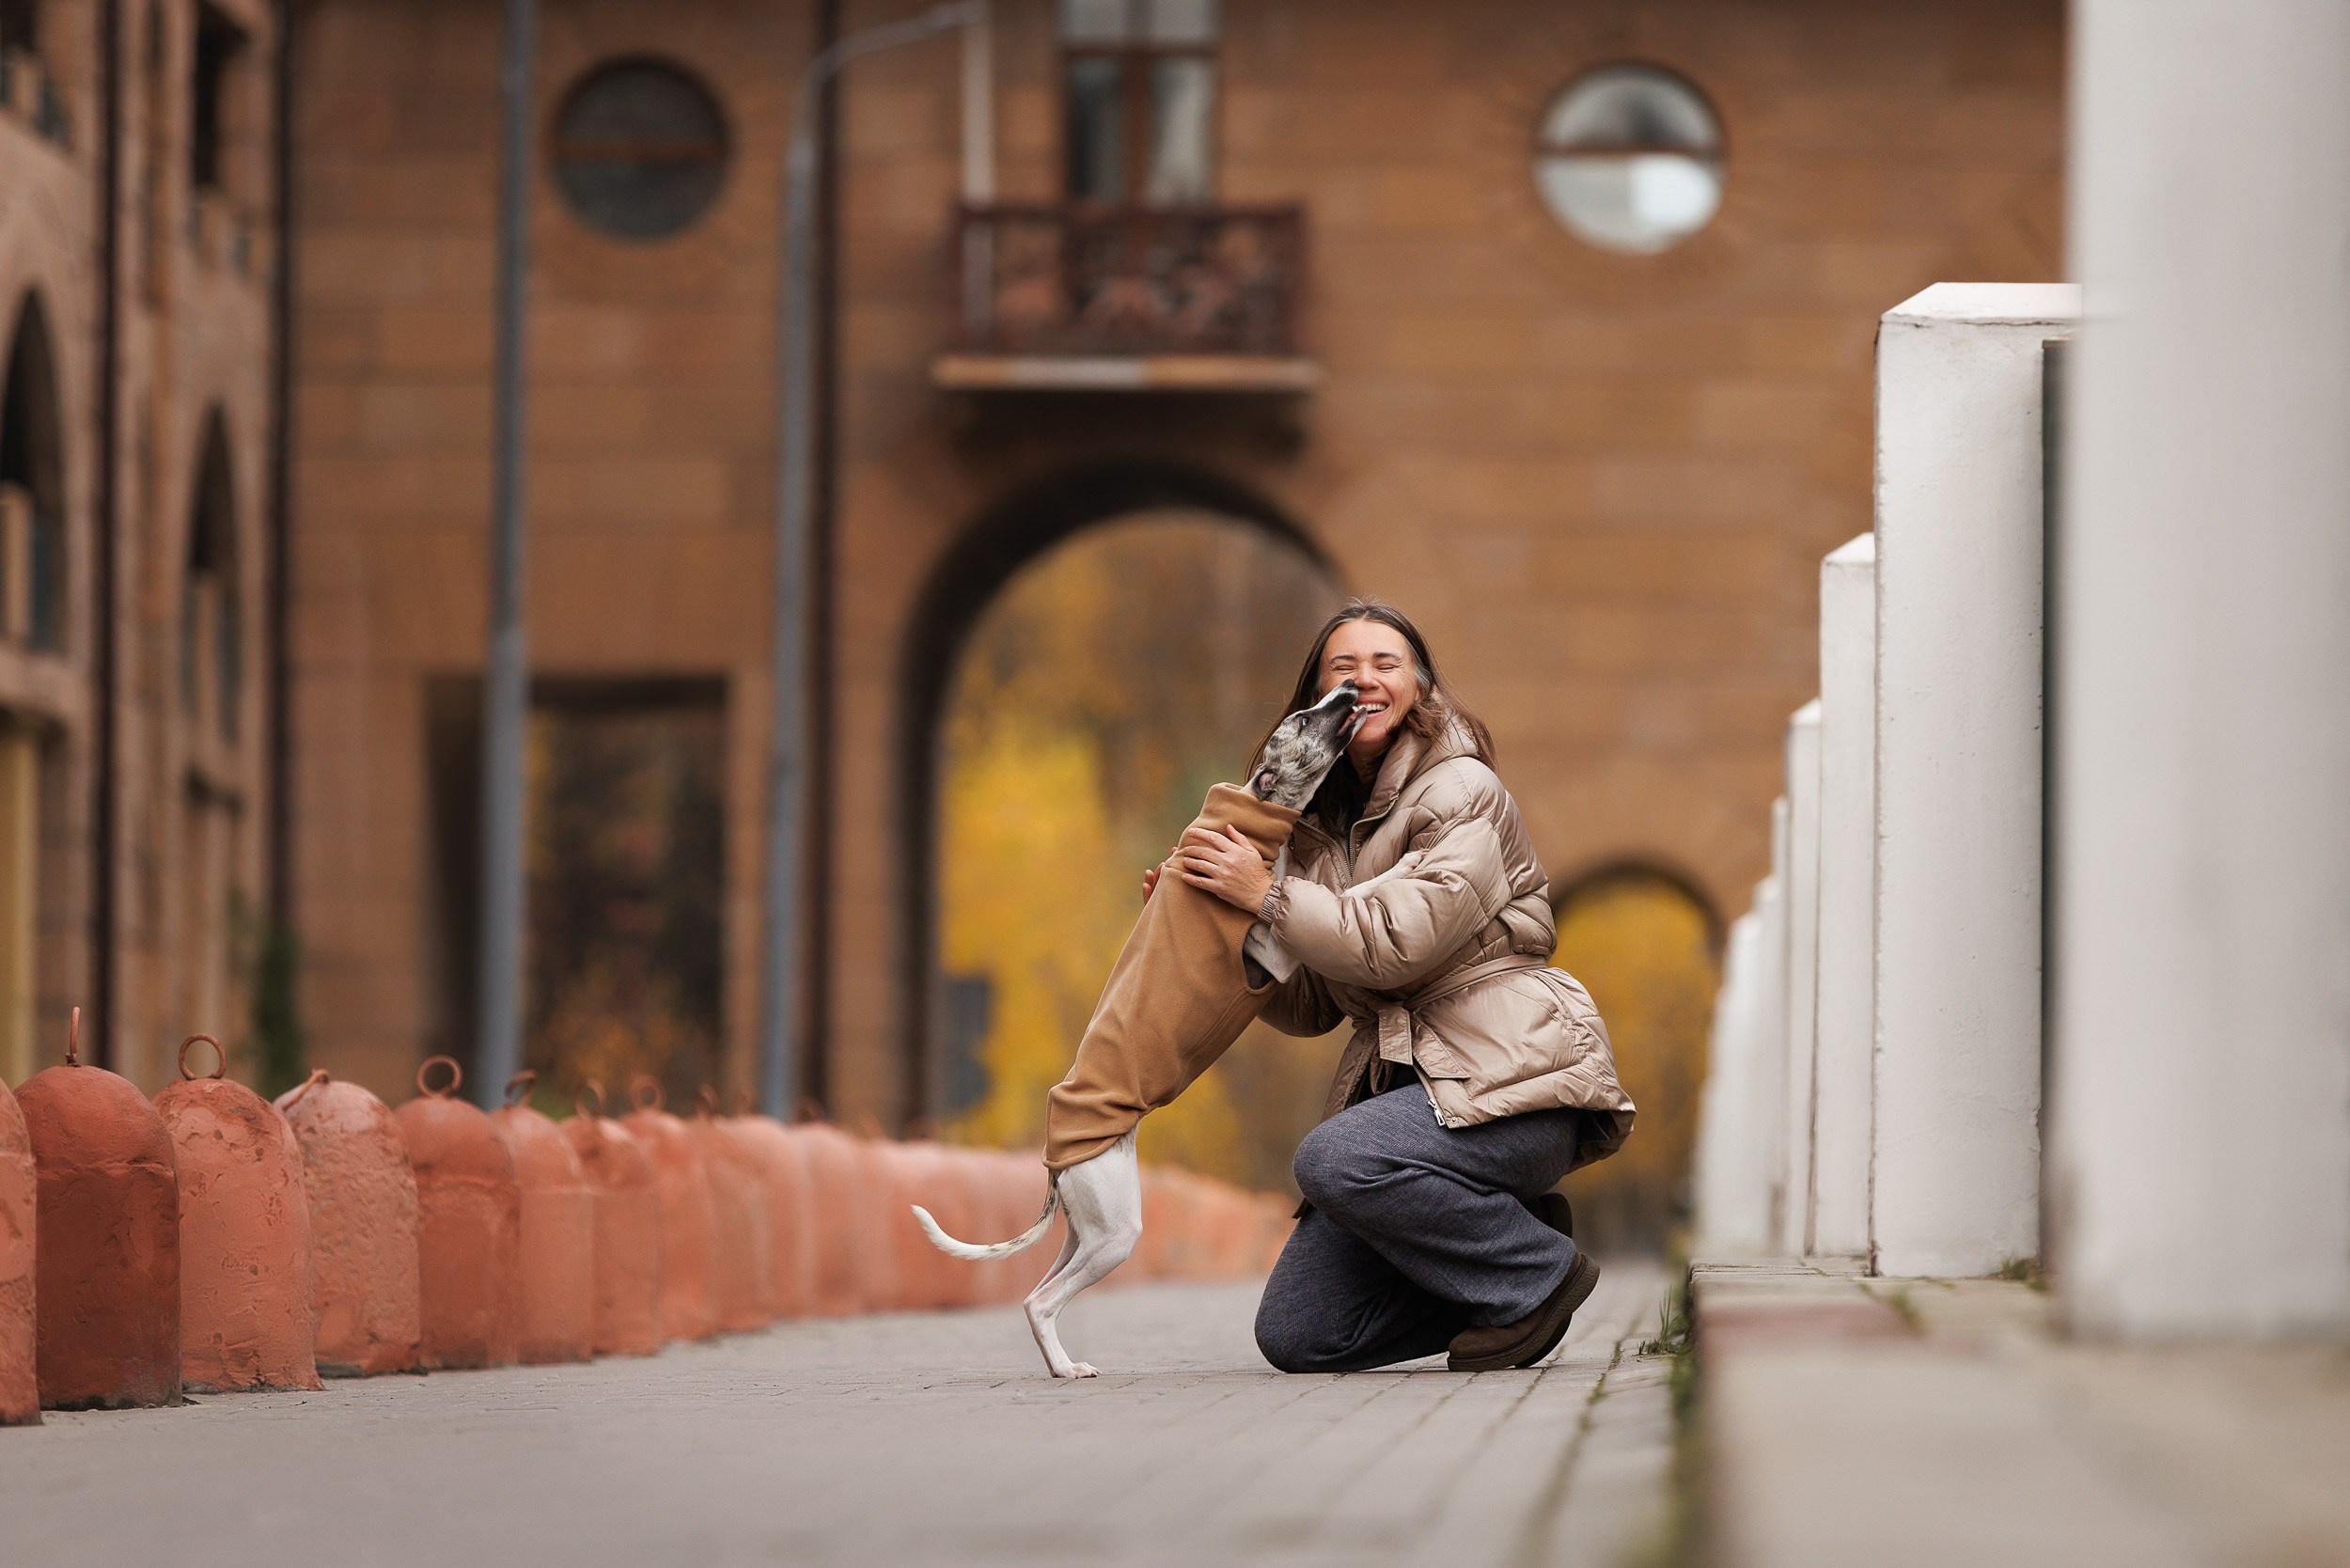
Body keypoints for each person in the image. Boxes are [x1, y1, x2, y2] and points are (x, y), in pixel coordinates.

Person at [1153, 600, 1635, 1372]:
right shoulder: (1320, 828)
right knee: (1302, 1334)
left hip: (1513, 1089)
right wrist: (1213, 923)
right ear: (1317, 695)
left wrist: (1265, 897)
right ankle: (1498, 1246)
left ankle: (1530, 1272)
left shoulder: (1463, 791)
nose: (1364, 681)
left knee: (1332, 1160)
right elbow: (1313, 1001)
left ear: (1422, 689)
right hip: (1413, 1107)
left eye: (1386, 665)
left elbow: (1397, 945)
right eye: (1343, 667)